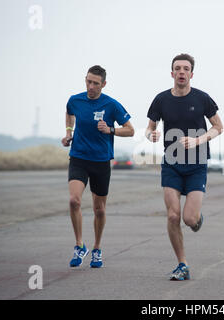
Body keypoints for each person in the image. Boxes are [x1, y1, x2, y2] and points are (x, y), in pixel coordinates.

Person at [146, 54, 223, 280]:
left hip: (197, 164)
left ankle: (197, 219)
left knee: (189, 219)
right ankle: (182, 264)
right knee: (172, 216)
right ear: (172, 73)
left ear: (191, 74)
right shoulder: (161, 99)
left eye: (185, 68)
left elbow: (218, 126)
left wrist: (199, 140)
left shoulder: (202, 99)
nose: (181, 72)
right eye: (177, 68)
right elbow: (149, 127)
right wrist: (151, 135)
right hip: (171, 163)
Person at [62, 65, 135, 268]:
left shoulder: (111, 105)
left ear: (103, 84)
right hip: (78, 157)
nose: (91, 86)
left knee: (99, 209)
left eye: (95, 83)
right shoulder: (75, 100)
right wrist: (69, 132)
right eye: (88, 81)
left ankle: (97, 248)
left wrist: (110, 129)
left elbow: (130, 130)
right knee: (74, 201)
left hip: (101, 161)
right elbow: (69, 113)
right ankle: (79, 245)